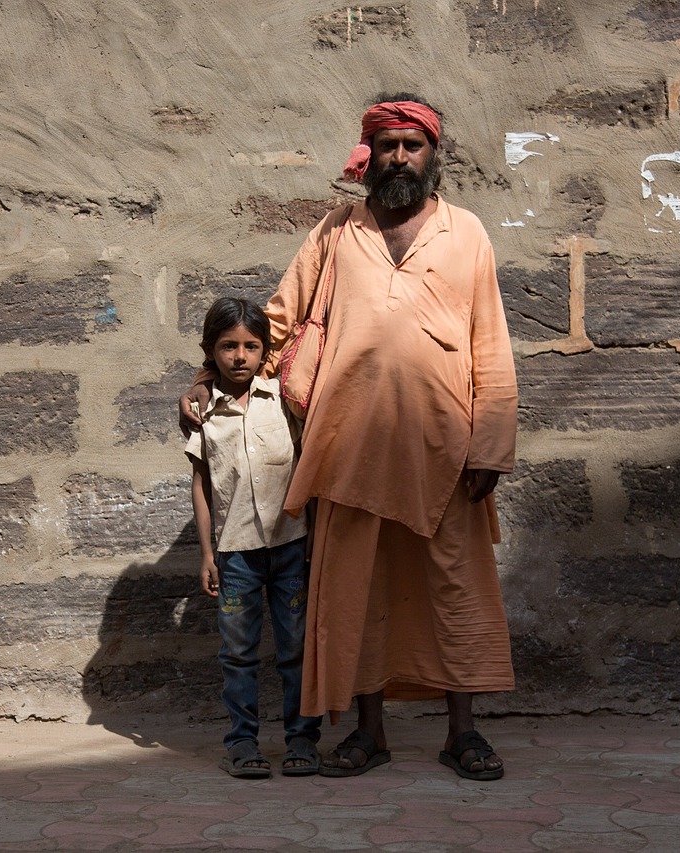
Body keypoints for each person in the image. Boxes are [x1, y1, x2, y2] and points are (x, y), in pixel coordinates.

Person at [182, 94, 517, 781]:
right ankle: (370, 733)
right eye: (388, 144)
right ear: (370, 156)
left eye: (412, 145)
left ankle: (463, 732)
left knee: (457, 589)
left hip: (446, 451)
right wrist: (203, 379)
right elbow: (277, 319)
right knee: (358, 594)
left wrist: (489, 445)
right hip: (347, 451)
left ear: (434, 156)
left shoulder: (467, 233)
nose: (400, 157)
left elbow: (492, 342)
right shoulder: (337, 233)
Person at [186, 297, 322, 778]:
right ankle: (243, 744)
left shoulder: (282, 401)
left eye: (250, 346)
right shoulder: (204, 415)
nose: (239, 356)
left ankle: (302, 740)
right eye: (227, 346)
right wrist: (207, 554)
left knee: (296, 648)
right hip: (235, 554)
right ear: (210, 351)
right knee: (238, 654)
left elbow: (308, 462)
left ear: (265, 352)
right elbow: (201, 487)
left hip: (291, 545)